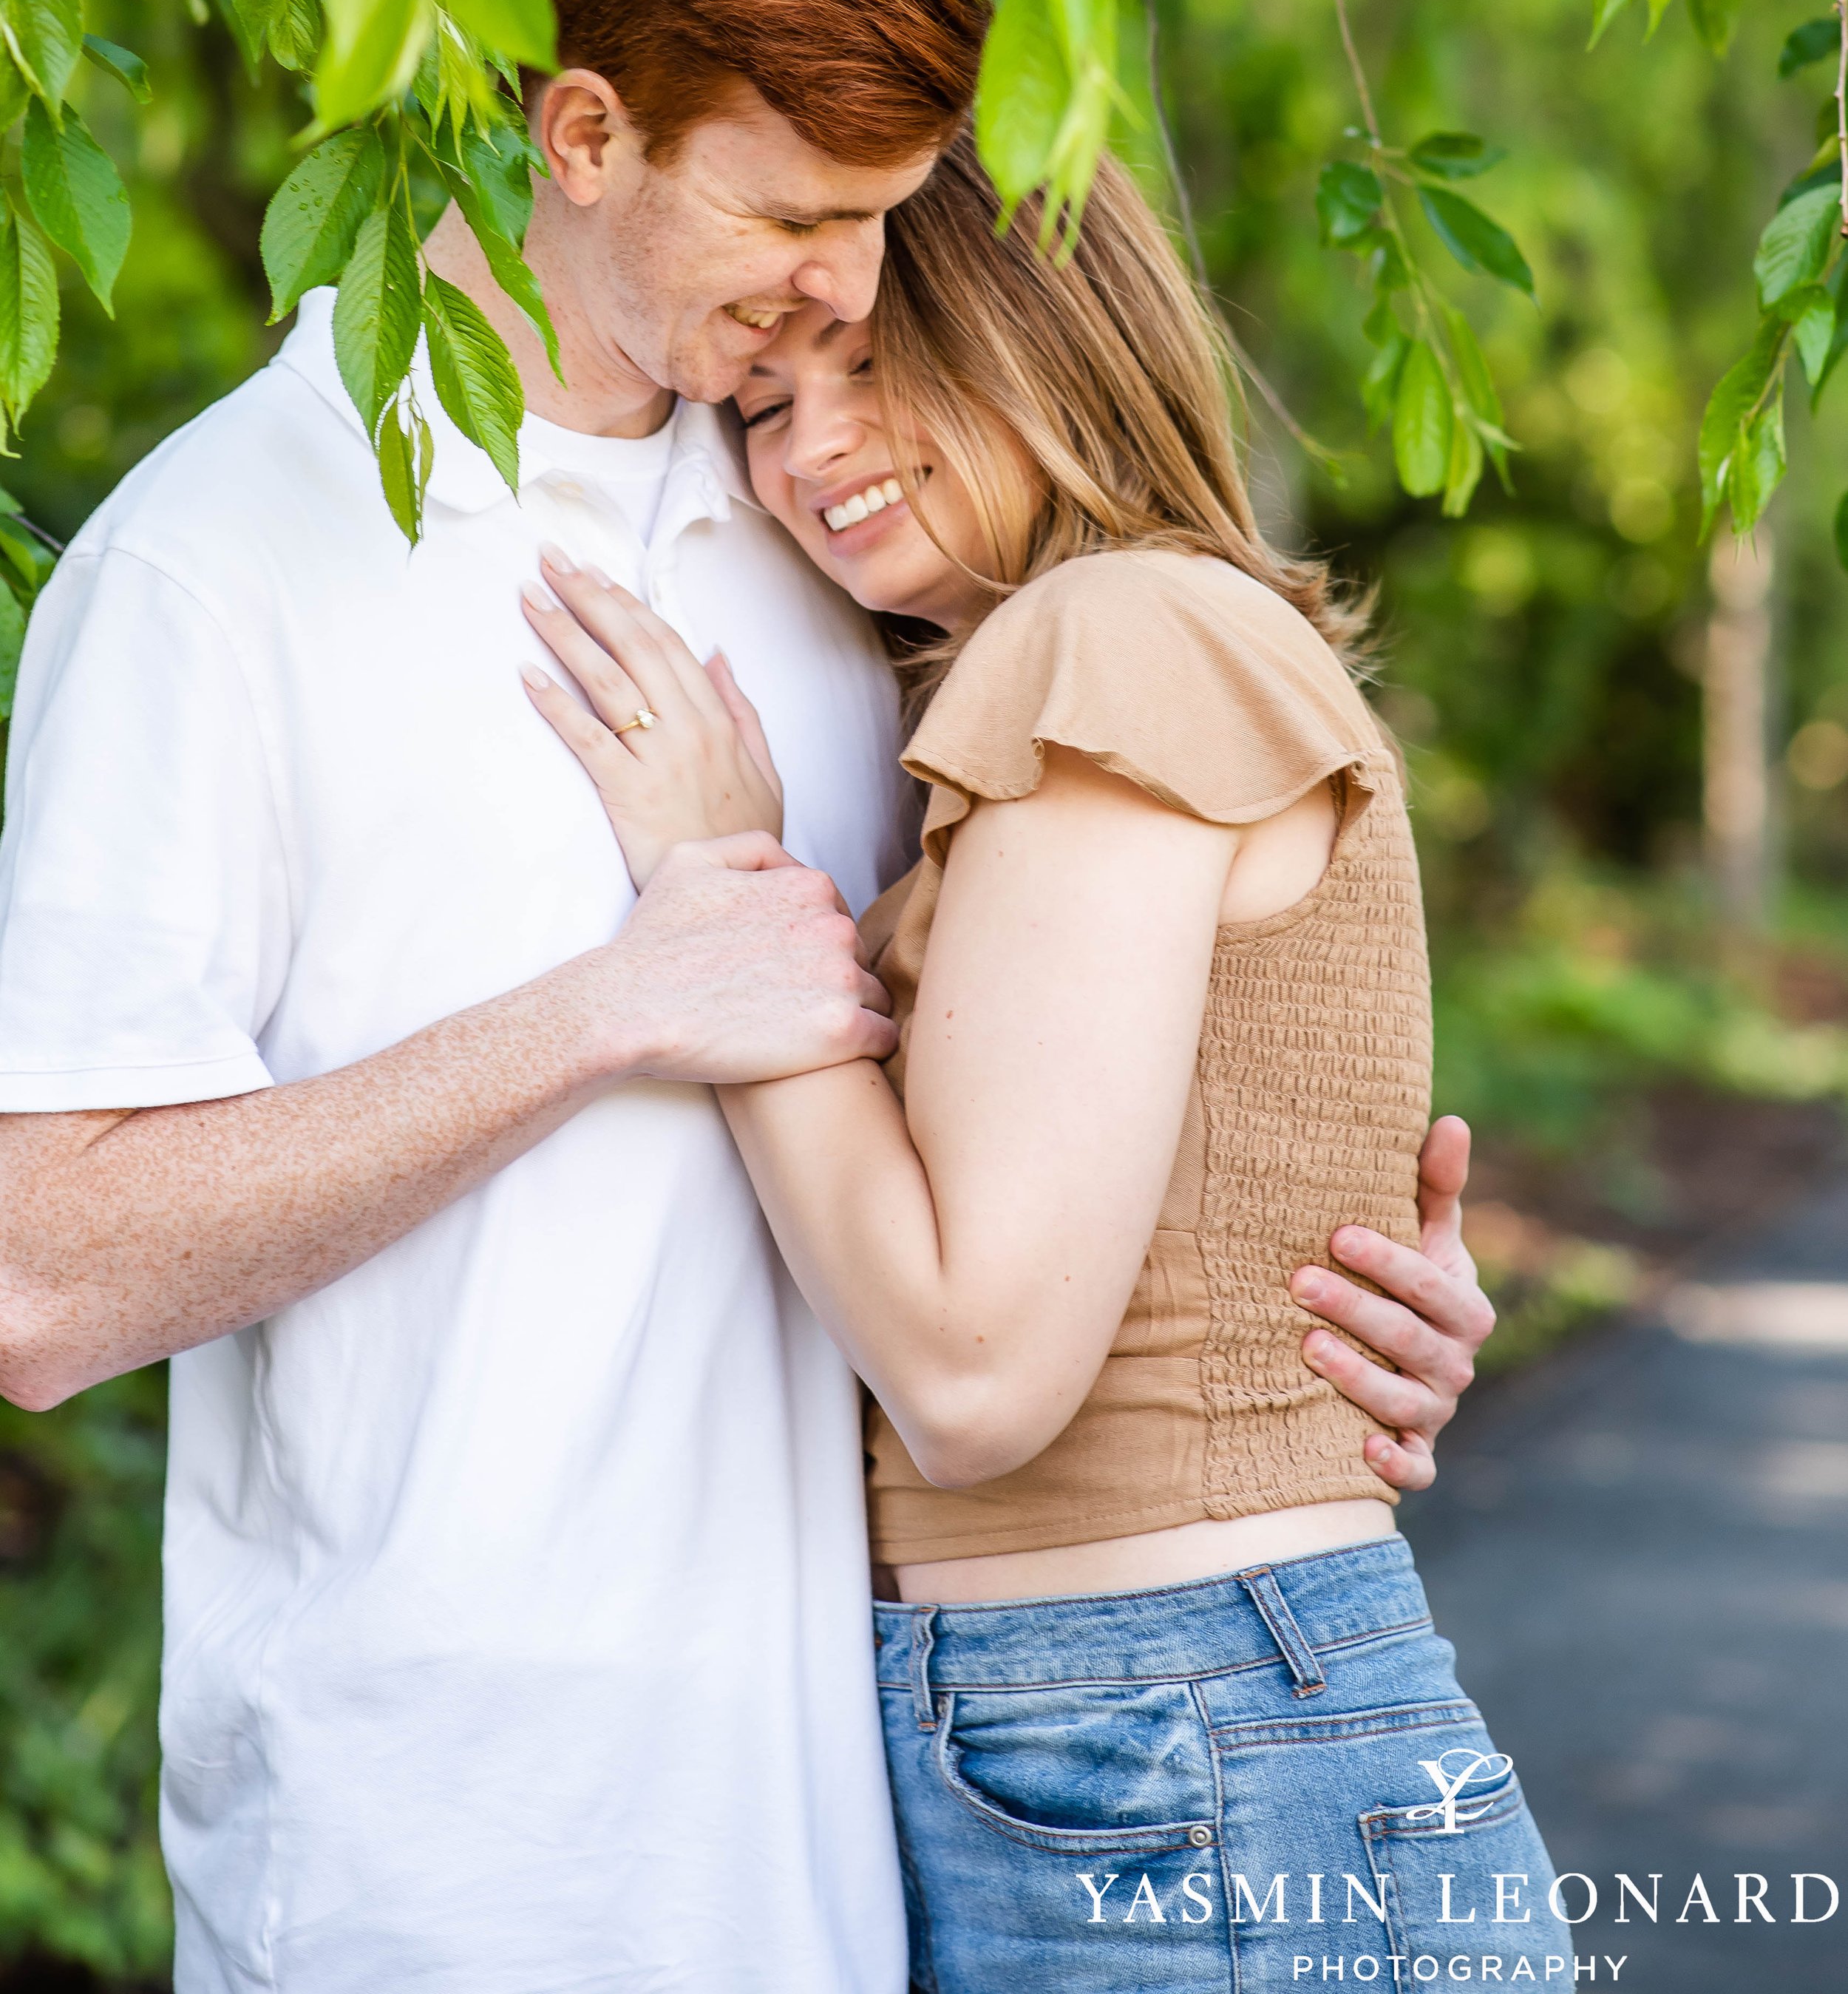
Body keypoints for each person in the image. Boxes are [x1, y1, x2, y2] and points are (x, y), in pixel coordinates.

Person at [0, 0, 1489, 1993]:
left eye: (883, 229)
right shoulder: (221, 561)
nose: (835, 301)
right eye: (795, 219)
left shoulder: (849, 560)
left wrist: (1313, 1318)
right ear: (580, 130)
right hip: (440, 1873)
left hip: (896, 1841)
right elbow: (40, 1279)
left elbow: (1057, 1078)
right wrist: (606, 1014)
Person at [521, 129, 1568, 1990]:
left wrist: (720, 900)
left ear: (1053, 325)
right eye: (762, 397)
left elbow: (976, 1370)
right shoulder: (1121, 658)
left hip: (1168, 1734)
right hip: (1156, 1729)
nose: (807, 445)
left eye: (870, 357)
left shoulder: (1109, 636)